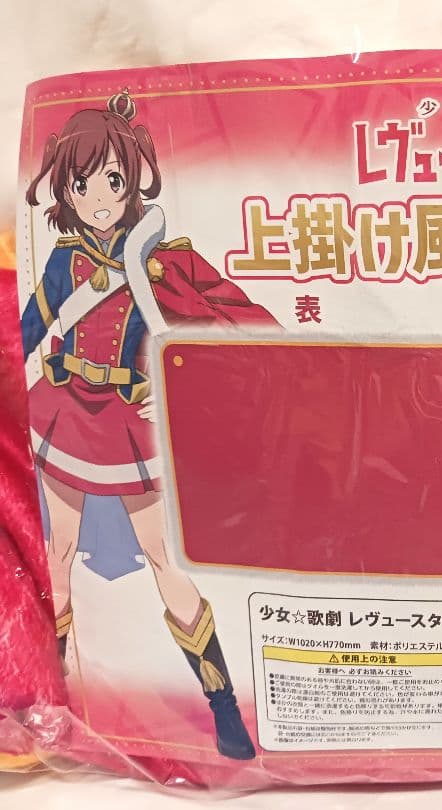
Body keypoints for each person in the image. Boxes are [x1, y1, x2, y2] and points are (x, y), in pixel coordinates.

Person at [22, 89, 279, 760]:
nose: (99, 198)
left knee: (165, 558)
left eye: (112, 180)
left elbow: (247, 329)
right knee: (56, 556)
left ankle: (222, 707)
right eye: (82, 184)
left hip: (129, 424)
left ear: (133, 178)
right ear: (65, 190)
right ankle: (53, 700)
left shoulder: (162, 260)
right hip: (65, 411)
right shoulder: (65, 261)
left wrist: (179, 385)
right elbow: (26, 331)